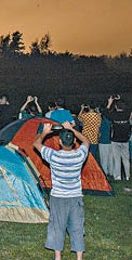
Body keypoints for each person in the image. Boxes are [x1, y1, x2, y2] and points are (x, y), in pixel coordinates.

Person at [33, 122, 90, 260]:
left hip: (58, 197)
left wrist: (45, 132)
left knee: (57, 226)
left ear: (59, 141)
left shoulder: (53, 156)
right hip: (75, 197)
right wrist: (72, 129)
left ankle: (58, 257)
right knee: (77, 227)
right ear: (74, 142)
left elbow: (36, 143)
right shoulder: (79, 156)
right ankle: (79, 257)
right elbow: (87, 141)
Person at [105, 96, 131, 181]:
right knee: (126, 159)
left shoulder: (114, 115)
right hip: (125, 140)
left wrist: (110, 102)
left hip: (115, 140)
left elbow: (105, 112)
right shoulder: (127, 113)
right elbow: (128, 107)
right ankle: (127, 176)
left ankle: (118, 176)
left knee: (117, 159)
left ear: (116, 107)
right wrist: (120, 100)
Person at [97, 106, 114, 178]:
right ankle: (111, 172)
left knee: (104, 158)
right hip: (111, 140)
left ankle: (105, 172)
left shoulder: (100, 120)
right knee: (110, 157)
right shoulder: (110, 120)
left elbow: (99, 132)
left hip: (103, 141)